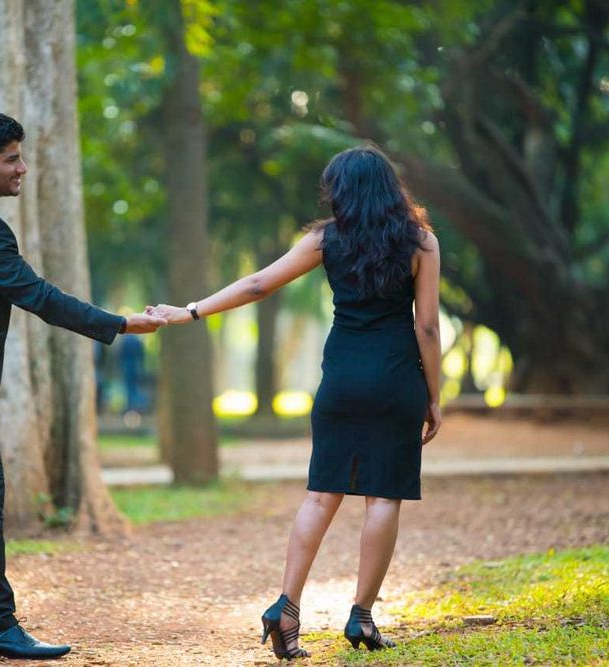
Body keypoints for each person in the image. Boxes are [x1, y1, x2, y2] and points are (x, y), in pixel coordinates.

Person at [149, 144, 442, 659]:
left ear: (343, 192)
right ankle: (362, 617)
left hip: (342, 380)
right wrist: (434, 397)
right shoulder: (421, 241)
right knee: (383, 498)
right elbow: (428, 327)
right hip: (397, 380)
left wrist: (191, 311)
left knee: (320, 494)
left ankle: (286, 608)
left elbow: (259, 283)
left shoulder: (327, 239)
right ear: (389, 187)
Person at [0, 112, 166, 660]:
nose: (22, 168)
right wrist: (118, 324)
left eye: (20, 155)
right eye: (11, 158)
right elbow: (35, 294)